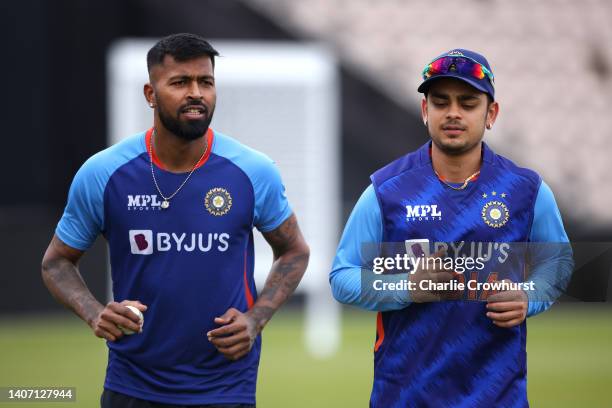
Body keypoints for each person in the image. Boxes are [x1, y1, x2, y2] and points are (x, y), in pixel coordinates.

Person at [41, 33, 309, 408]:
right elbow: (56, 263)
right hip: (132, 384)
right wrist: (95, 312)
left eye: (206, 82)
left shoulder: (253, 171)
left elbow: (294, 252)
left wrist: (255, 319)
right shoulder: (104, 173)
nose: (196, 92)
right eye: (181, 82)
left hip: (226, 385)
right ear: (150, 94)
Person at [330, 49, 573, 407]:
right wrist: (407, 287)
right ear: (425, 111)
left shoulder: (528, 190)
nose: (454, 113)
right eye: (441, 102)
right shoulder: (385, 190)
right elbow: (343, 276)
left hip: (498, 397)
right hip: (404, 397)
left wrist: (529, 296)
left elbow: (558, 260)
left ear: (491, 113)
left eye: (468, 102)